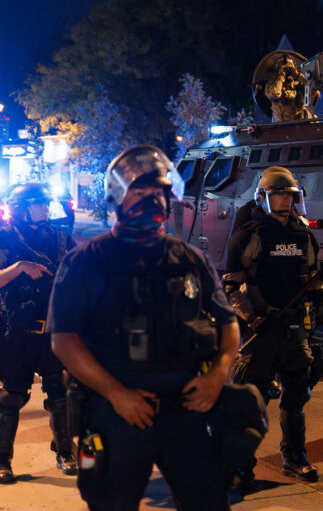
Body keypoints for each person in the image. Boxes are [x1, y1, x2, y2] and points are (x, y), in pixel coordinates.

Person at [49, 146, 239, 510]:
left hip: (187, 409)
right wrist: (118, 394)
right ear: (117, 198)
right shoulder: (86, 261)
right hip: (112, 414)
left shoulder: (190, 259)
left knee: (209, 501)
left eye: (159, 193)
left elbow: (228, 324)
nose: (151, 201)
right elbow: (64, 340)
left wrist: (217, 376)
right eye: (139, 193)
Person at [223, 166, 322, 482]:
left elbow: (309, 282)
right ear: (263, 197)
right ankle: (241, 463)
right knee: (251, 399)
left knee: (296, 394)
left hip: (291, 328)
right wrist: (252, 318)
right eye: (278, 194)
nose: (285, 200)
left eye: (289, 195)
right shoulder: (248, 235)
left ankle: (295, 458)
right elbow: (231, 287)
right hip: (261, 329)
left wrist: (308, 320)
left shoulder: (301, 233)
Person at [0, 183, 77, 483]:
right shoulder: (5, 236)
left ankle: (65, 453)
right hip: (16, 332)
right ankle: (3, 461)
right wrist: (19, 267)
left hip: (53, 332)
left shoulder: (59, 237)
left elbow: (81, 269)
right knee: (12, 396)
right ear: (20, 208)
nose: (46, 209)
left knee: (60, 394)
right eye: (39, 204)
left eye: (47, 204)